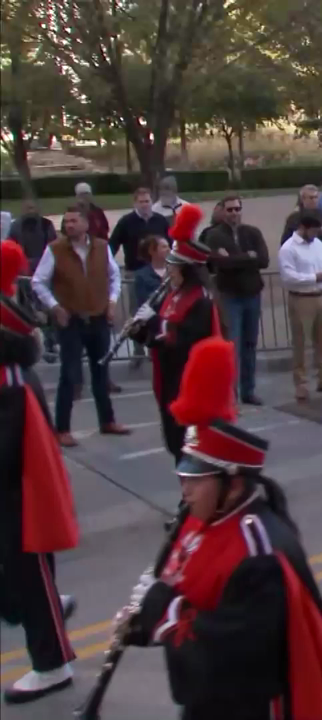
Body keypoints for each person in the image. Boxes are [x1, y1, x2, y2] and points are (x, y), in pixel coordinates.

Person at [120, 336, 322, 718]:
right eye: (183, 476)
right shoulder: (202, 519)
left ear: (234, 484)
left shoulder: (260, 557)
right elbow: (188, 589)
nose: (185, 488)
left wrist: (161, 609)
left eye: (196, 479)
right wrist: (141, 622)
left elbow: (228, 658)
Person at [0, 240, 80, 705]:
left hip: (19, 495)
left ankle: (52, 663)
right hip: (16, 492)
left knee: (28, 575)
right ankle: (43, 606)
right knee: (24, 580)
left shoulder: (9, 379)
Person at [126, 205, 221, 463]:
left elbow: (185, 338)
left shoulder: (200, 301)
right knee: (174, 441)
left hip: (187, 380)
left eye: (173, 268)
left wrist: (154, 322)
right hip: (169, 377)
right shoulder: (173, 296)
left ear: (186, 270)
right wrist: (140, 331)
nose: (169, 272)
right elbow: (162, 336)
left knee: (189, 445)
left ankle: (194, 495)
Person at [31, 206, 131, 447]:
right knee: (70, 374)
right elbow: (38, 281)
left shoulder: (100, 247)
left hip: (98, 317)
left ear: (86, 224)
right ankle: (62, 428)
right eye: (66, 222)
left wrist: (112, 301)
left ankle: (107, 421)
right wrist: (55, 306)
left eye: (74, 221)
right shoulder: (55, 250)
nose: (69, 226)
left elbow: (114, 276)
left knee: (101, 371)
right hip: (71, 320)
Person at [205, 195, 270, 405]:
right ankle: (229, 395)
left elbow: (263, 260)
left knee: (250, 345)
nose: (233, 213)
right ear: (223, 211)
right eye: (230, 209)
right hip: (230, 296)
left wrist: (234, 257)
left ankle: (248, 390)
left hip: (252, 295)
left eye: (236, 209)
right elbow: (219, 263)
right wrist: (247, 257)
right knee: (232, 345)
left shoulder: (252, 232)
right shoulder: (214, 235)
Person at [280, 215, 322, 402]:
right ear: (303, 228)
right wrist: (314, 277)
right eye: (313, 231)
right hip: (302, 298)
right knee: (301, 342)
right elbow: (289, 276)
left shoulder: (318, 244)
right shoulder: (288, 248)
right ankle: (301, 384)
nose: (316, 234)